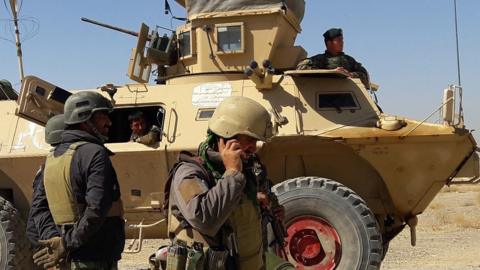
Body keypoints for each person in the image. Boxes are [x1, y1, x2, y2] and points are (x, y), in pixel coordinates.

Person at [164, 96, 292, 270]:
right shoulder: (188, 172)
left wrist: (265, 206)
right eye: (249, 140)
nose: (254, 148)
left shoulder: (248, 169)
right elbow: (204, 218)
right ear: (227, 135)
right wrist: (232, 173)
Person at [32, 91, 125, 270]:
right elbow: (96, 209)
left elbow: (39, 209)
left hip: (66, 257)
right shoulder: (95, 154)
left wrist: (57, 241)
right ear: (84, 119)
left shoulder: (51, 158)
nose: (109, 122)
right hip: (93, 257)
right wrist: (66, 244)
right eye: (102, 116)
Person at [26, 114, 64, 259]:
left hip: (42, 233)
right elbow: (39, 207)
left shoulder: (51, 162)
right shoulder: (53, 165)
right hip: (46, 237)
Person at [297, 27, 370, 89]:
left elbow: (364, 75)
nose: (342, 43)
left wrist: (350, 74)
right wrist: (330, 72)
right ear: (329, 43)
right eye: (338, 40)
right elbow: (300, 67)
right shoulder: (319, 59)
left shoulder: (349, 60)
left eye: (342, 40)